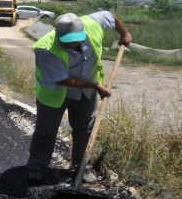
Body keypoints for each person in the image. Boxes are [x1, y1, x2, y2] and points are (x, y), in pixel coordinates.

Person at [26, 11, 132, 184]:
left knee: (84, 130)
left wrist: (124, 33)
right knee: (46, 130)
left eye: (77, 39)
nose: (74, 43)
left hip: (85, 92)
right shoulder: (45, 49)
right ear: (57, 35)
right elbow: (63, 79)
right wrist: (95, 85)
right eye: (68, 41)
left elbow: (111, 16)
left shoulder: (92, 24)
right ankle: (36, 167)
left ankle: (82, 167)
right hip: (54, 92)